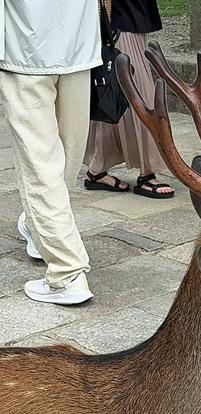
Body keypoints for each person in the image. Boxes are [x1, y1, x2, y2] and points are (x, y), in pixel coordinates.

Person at [0, 1, 102, 304]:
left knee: (41, 163)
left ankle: (67, 273)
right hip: (77, 44)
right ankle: (37, 227)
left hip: (26, 50)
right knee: (66, 155)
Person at [83, 0, 175, 199]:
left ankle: (97, 168)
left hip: (129, 18)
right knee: (139, 96)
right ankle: (147, 172)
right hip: (120, 21)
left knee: (116, 96)